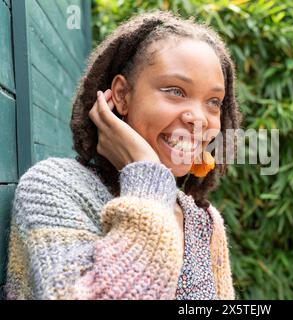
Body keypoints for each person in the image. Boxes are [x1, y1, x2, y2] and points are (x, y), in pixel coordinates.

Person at [5, 9, 242, 300]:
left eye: (214, 102)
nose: (200, 119)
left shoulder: (205, 223)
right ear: (121, 95)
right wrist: (146, 174)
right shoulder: (52, 188)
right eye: (175, 91)